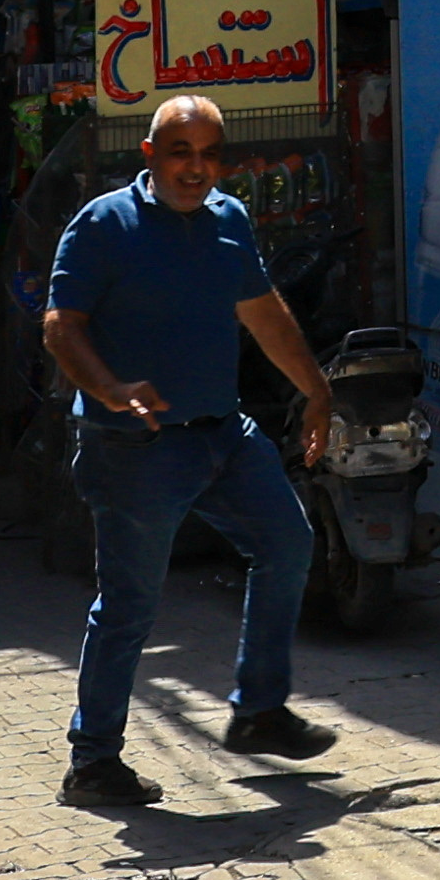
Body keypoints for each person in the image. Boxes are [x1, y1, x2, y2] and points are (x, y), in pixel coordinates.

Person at [34, 91, 341, 814]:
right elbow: (59, 324)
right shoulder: (104, 224)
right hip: (135, 448)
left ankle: (260, 709)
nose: (196, 168)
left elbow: (266, 315)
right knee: (131, 606)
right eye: (181, 151)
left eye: (209, 154)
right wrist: (108, 387)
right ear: (150, 154)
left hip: (222, 435)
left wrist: (318, 391)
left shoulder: (230, 222)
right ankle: (93, 762)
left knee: (289, 542)